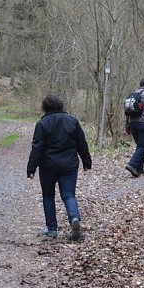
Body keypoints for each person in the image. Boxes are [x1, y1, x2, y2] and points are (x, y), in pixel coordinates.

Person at [26, 94, 92, 240]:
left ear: (45, 107)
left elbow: (37, 147)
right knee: (68, 194)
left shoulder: (42, 124)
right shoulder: (72, 121)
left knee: (48, 195)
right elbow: (82, 142)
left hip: (48, 165)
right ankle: (74, 218)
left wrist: (31, 168)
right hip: (69, 165)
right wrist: (86, 161)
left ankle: (52, 229)